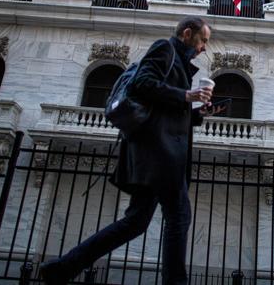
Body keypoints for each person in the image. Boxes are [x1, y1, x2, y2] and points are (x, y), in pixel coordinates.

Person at [40, 16, 213, 285]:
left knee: (135, 223)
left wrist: (199, 113)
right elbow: (141, 84)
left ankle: (63, 267)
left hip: (160, 155)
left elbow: (167, 111)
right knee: (178, 217)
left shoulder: (178, 63)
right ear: (187, 34)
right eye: (203, 40)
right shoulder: (164, 49)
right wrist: (185, 96)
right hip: (159, 155)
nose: (204, 48)